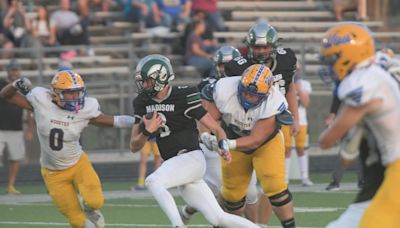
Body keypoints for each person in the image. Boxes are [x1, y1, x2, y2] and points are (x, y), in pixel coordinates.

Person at [130, 54, 259, 228]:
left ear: (161, 78)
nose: (144, 85)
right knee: (220, 219)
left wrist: (223, 145)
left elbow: (217, 128)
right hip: (178, 167)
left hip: (192, 159)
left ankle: (178, 225)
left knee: (153, 181)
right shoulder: (142, 102)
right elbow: (134, 146)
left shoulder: (184, 94)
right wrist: (147, 131)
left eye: (148, 81)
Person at [0, 70, 135, 228]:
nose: (75, 97)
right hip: (53, 173)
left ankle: (89, 209)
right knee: (77, 221)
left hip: (78, 164)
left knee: (95, 201)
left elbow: (112, 120)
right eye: (70, 93)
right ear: (56, 93)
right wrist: (15, 84)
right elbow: (6, 96)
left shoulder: (85, 109)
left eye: (78, 93)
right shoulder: (41, 101)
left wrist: (139, 121)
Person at [319, 22, 400, 228]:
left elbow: (327, 141)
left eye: (332, 58)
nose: (329, 65)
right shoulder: (376, 71)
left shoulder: (360, 83)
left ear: (349, 55)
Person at [201, 64, 296, 228]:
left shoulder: (274, 101)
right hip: (232, 137)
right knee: (232, 195)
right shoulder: (223, 88)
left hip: (266, 144)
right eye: (244, 90)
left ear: (266, 93)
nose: (247, 96)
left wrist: (226, 144)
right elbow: (207, 117)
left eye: (254, 95)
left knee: (275, 187)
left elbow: (256, 139)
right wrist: (206, 136)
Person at [224, 22, 300, 226]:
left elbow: (290, 86)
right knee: (233, 194)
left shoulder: (286, 59)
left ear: (273, 46)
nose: (261, 51)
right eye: (257, 47)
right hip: (241, 127)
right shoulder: (236, 67)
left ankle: (269, 224)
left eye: (265, 46)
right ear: (249, 46)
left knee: (275, 184)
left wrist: (296, 116)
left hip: (272, 126)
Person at [180, 46, 261, 224]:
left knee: (251, 192)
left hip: (240, 141)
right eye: (222, 65)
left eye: (229, 65)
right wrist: (209, 137)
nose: (225, 69)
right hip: (216, 143)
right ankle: (190, 208)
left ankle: (256, 226)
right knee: (220, 193)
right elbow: (203, 118)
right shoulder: (208, 86)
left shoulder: (250, 83)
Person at [0, 59, 33, 195]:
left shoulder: (24, 87)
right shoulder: (1, 83)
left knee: (15, 158)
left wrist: (30, 129)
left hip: (16, 128)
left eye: (16, 69)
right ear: (7, 71)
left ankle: (11, 186)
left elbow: (30, 109)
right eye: (12, 69)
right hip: (0, 128)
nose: (14, 72)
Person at [283, 66, 313, 186]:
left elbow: (306, 103)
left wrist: (299, 89)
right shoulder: (283, 81)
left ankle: (304, 177)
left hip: (301, 120)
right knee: (287, 149)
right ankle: (285, 179)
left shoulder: (304, 84)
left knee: (301, 149)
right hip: (286, 120)